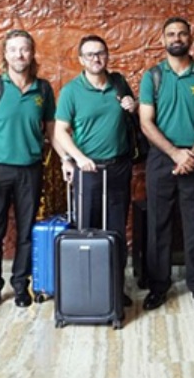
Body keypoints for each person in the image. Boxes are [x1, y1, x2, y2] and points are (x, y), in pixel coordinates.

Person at [0, 30, 56, 313]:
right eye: (14, 49)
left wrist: (68, 160)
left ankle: (20, 286)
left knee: (27, 233)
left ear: (32, 53)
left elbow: (52, 131)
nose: (20, 54)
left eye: (25, 49)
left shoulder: (43, 90)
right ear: (5, 55)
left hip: (30, 170)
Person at [138, 17, 194, 311]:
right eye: (171, 34)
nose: (177, 38)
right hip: (161, 158)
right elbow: (145, 122)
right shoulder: (152, 76)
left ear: (191, 38)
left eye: (182, 34)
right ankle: (158, 287)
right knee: (158, 224)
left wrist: (192, 155)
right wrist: (175, 153)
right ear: (163, 40)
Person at [53, 35, 136, 307]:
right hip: (88, 170)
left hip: (118, 168)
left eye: (100, 53)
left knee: (116, 230)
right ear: (81, 60)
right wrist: (77, 158)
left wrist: (132, 107)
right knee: (87, 230)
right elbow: (60, 131)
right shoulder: (71, 91)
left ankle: (114, 289)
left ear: (107, 55)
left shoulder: (119, 83)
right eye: (89, 54)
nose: (96, 59)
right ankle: (87, 291)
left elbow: (131, 115)